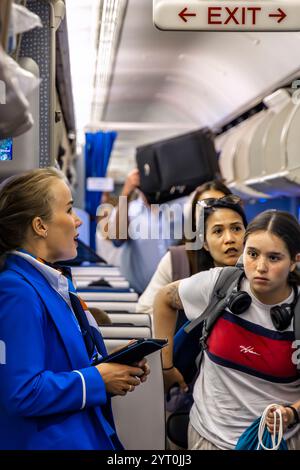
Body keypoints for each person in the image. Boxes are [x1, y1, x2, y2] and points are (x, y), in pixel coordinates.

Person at [0, 168, 150, 450]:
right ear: (40, 226)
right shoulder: (15, 291)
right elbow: (21, 392)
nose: (78, 220)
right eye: (69, 210)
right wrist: (98, 378)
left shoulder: (47, 281)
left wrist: (111, 365)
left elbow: (56, 363)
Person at [153, 209, 300, 450]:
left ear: (295, 261)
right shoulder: (219, 285)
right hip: (207, 437)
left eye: (274, 258)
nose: (260, 266)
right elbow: (164, 299)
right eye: (252, 254)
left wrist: (292, 414)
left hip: (275, 442)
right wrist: (166, 366)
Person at [137, 180, 234, 315]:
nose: (216, 215)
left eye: (223, 206)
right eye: (206, 209)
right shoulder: (178, 260)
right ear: (194, 219)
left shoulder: (253, 259)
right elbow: (145, 310)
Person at [107, 168, 186, 294]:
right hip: (137, 294)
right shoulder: (129, 210)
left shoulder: (178, 208)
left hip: (174, 293)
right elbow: (117, 240)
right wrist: (126, 194)